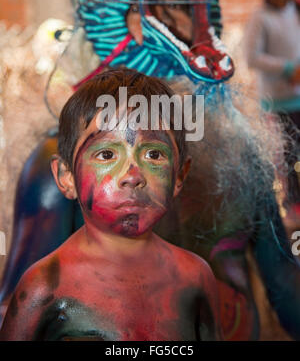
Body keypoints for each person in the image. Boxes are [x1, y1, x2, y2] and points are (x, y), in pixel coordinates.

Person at [0, 68, 222, 341]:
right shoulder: (44, 287)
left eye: (153, 154)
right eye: (106, 154)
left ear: (179, 176)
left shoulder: (194, 276)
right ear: (66, 177)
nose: (132, 175)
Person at [244, 0, 300, 205]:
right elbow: (252, 57)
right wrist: (288, 69)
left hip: (299, 94)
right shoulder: (260, 16)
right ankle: (293, 207)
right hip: (278, 102)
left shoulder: (294, 9)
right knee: (290, 156)